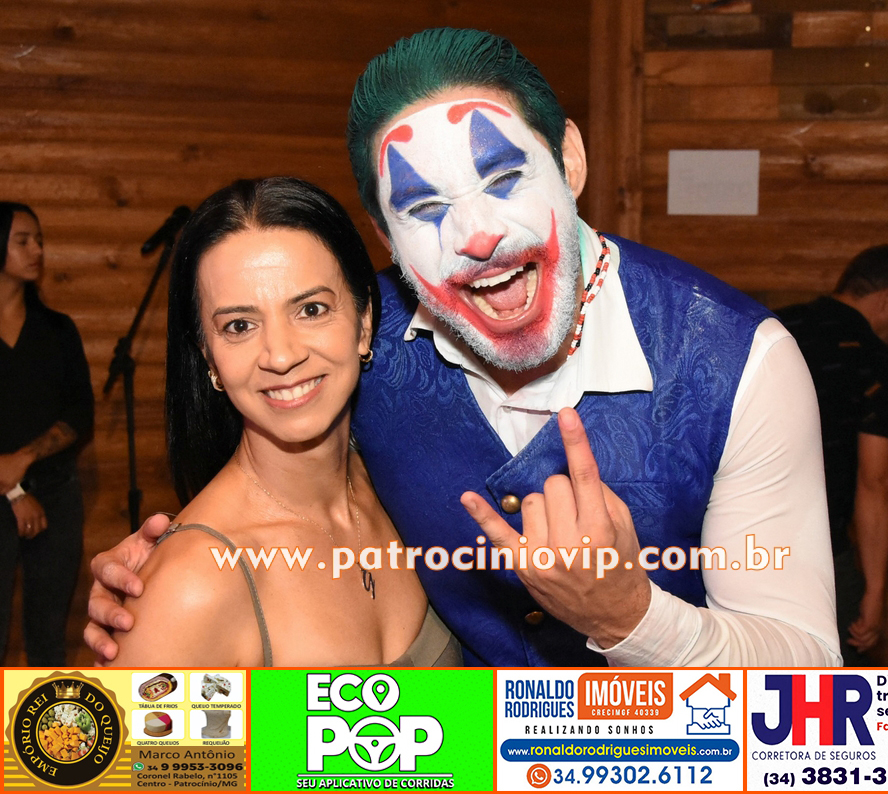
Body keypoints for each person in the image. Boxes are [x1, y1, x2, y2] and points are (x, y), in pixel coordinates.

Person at [87, 28, 839, 667]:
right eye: (423, 206)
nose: (477, 235)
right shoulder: (358, 342)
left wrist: (632, 617)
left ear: (570, 160)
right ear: (384, 236)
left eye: (504, 176)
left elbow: (810, 671)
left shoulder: (738, 364)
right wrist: (170, 582)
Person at [107, 177, 460, 667]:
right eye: (240, 326)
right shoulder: (192, 587)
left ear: (363, 323)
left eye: (311, 309)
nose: (281, 355)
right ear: (209, 357)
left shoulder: (401, 477)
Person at [776, 245, 888, 665]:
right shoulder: (877, 363)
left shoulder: (770, 328)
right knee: (833, 689)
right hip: (818, 556)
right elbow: (875, 482)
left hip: (730, 546)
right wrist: (874, 592)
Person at [0, 202, 94, 666]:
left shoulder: (57, 330)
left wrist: (25, 459)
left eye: (39, 240)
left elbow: (80, 413)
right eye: (23, 241)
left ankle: (49, 714)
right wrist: (14, 489)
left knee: (48, 636)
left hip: (57, 494)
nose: (37, 250)